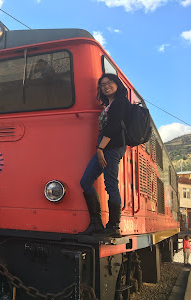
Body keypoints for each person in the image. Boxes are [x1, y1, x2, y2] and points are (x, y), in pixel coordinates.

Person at [79, 73, 131, 238]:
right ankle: (96, 223)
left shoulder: (121, 101)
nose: (106, 86)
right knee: (85, 181)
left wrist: (100, 148)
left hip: (112, 146)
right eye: (102, 84)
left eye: (109, 83)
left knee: (110, 185)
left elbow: (114, 127)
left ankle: (114, 226)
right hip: (105, 145)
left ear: (117, 84)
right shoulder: (110, 104)